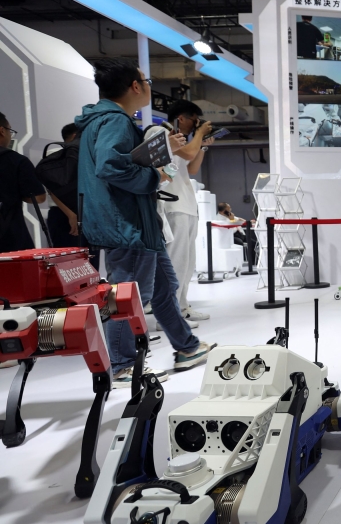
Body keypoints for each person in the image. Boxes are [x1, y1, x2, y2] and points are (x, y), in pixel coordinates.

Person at [77, 58, 215, 388]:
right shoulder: (114, 122)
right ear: (135, 87)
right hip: (127, 225)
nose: (150, 86)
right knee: (128, 294)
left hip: (137, 223)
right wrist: (153, 176)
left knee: (165, 288)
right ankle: (123, 364)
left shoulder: (105, 121)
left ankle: (187, 348)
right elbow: (111, 167)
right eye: (146, 80)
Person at [165, 100, 215, 324]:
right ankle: (170, 314)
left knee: (187, 262)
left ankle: (182, 306)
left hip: (187, 204)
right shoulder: (164, 133)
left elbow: (192, 168)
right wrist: (199, 136)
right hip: (173, 205)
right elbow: (186, 155)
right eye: (194, 120)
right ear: (181, 118)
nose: (197, 124)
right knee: (176, 262)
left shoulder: (184, 141)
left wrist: (202, 145)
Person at [0, 111, 47, 253]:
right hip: (9, 238)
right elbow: (38, 197)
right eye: (10, 131)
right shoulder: (16, 161)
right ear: (2, 131)